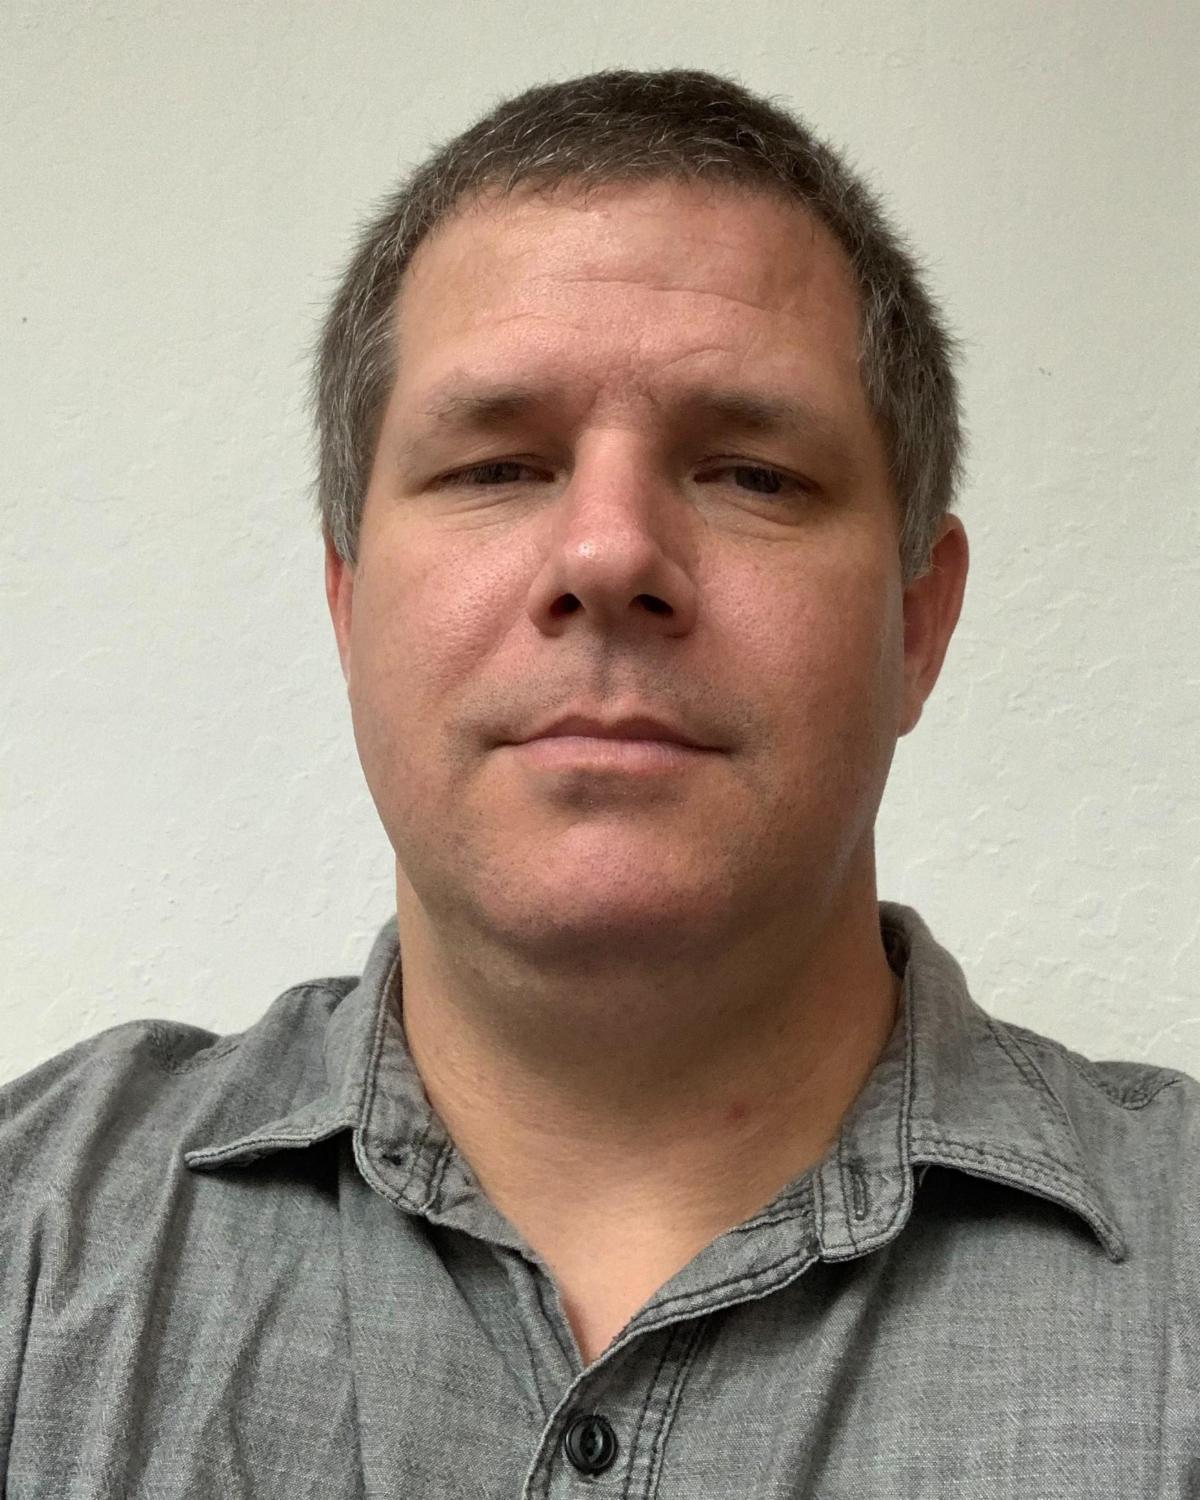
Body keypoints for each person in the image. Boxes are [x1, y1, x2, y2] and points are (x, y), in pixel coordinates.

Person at [1, 68, 1195, 1499]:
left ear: (917, 623)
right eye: (499, 466)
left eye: (751, 473)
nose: (610, 553)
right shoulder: (31, 1246)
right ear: (348, 605)